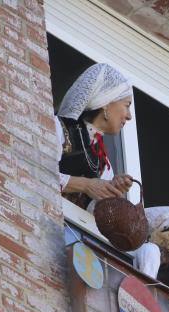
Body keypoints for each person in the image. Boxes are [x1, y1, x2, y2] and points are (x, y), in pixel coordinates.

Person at [55, 63, 134, 207]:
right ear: (106, 101)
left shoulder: (104, 164)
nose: (129, 116)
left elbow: (95, 217)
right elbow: (37, 172)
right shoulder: (58, 128)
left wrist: (112, 192)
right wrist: (86, 185)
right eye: (127, 105)